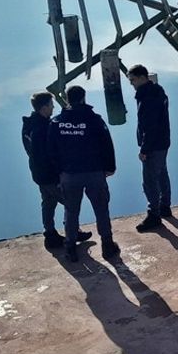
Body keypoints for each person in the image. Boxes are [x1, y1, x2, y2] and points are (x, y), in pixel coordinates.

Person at [50, 85, 119, 262]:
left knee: (71, 211)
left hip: (69, 174)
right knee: (101, 209)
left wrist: (58, 172)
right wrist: (110, 167)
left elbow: (51, 151)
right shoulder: (94, 120)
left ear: (66, 99)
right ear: (83, 98)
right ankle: (107, 245)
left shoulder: (57, 122)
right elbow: (106, 144)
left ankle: (70, 248)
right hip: (94, 172)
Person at [21, 92, 90, 250]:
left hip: (38, 174)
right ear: (44, 108)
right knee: (70, 202)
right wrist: (60, 174)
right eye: (51, 105)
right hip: (50, 176)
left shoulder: (29, 125)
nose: (53, 107)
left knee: (48, 203)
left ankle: (50, 234)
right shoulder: (44, 128)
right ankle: (73, 232)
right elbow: (51, 154)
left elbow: (31, 151)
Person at [126, 65, 172, 232]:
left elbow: (149, 126)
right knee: (162, 174)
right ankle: (165, 206)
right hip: (163, 142)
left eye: (133, 80)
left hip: (153, 145)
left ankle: (154, 215)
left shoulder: (147, 97)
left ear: (143, 78)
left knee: (149, 181)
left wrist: (144, 150)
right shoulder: (158, 91)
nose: (131, 84)